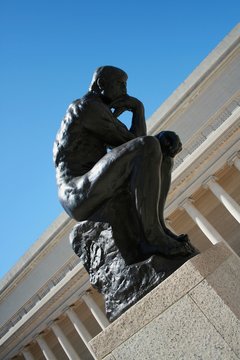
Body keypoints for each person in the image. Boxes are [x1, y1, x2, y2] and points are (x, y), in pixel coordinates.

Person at [53, 66, 189, 257]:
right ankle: (152, 237)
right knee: (150, 144)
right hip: (76, 191)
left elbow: (140, 148)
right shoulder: (85, 107)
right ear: (101, 84)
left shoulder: (100, 110)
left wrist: (138, 112)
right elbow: (136, 144)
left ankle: (158, 228)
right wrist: (138, 109)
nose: (125, 90)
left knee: (162, 149)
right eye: (120, 84)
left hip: (92, 183)